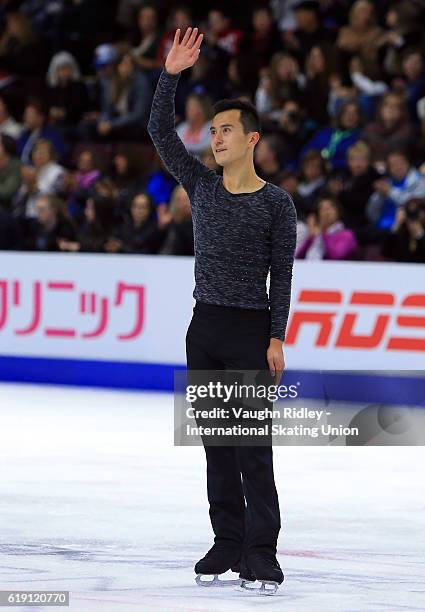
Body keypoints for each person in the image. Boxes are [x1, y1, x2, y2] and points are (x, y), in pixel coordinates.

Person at [148, 27, 296, 591]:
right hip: (204, 327)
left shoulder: (277, 204)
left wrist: (276, 333)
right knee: (216, 446)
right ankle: (226, 543)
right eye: (212, 131)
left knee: (253, 450)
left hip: (249, 330)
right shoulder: (201, 186)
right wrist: (170, 74)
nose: (216, 138)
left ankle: (262, 551)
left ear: (252, 138)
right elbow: (159, 131)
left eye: (226, 130)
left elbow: (281, 273)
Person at [296, 195, 358, 259]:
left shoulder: (347, 234)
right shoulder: (316, 234)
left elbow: (336, 255)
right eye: (322, 209)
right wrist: (311, 238)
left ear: (338, 211)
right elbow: (300, 257)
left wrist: (323, 232)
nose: (326, 212)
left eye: (329, 208)